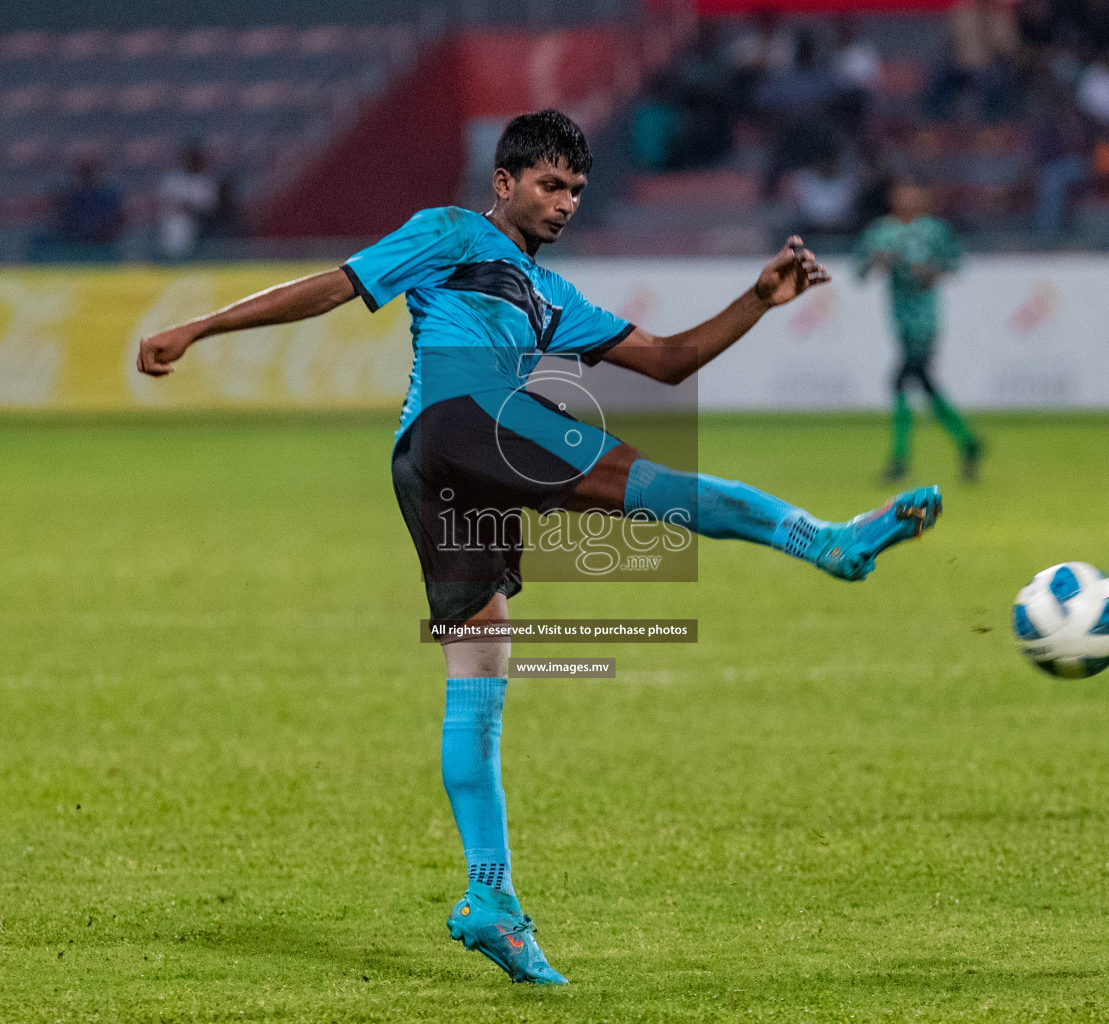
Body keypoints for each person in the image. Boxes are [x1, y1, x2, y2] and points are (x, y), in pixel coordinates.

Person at [135, 110, 942, 986]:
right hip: (463, 418)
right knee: (657, 487)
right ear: (505, 182)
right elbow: (335, 286)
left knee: (480, 681)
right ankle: (825, 543)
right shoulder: (450, 233)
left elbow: (668, 359)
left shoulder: (550, 297)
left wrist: (758, 299)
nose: (564, 203)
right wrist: (197, 329)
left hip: (430, 468)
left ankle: (491, 900)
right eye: (550, 184)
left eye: (577, 191)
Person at [855, 183, 983, 483]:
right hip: (900, 320)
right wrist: (878, 262)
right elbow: (859, 271)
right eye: (901, 193)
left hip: (926, 320)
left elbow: (955, 263)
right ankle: (968, 441)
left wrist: (931, 271)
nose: (907, 199)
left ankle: (899, 461)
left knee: (901, 380)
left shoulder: (935, 231)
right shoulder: (880, 232)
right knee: (924, 384)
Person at [158, 145, 219, 260]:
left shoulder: (205, 182)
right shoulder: (173, 180)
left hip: (203, 229)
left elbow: (209, 206)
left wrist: (189, 207)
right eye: (188, 158)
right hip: (175, 229)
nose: (191, 162)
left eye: (195, 158)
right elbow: (165, 204)